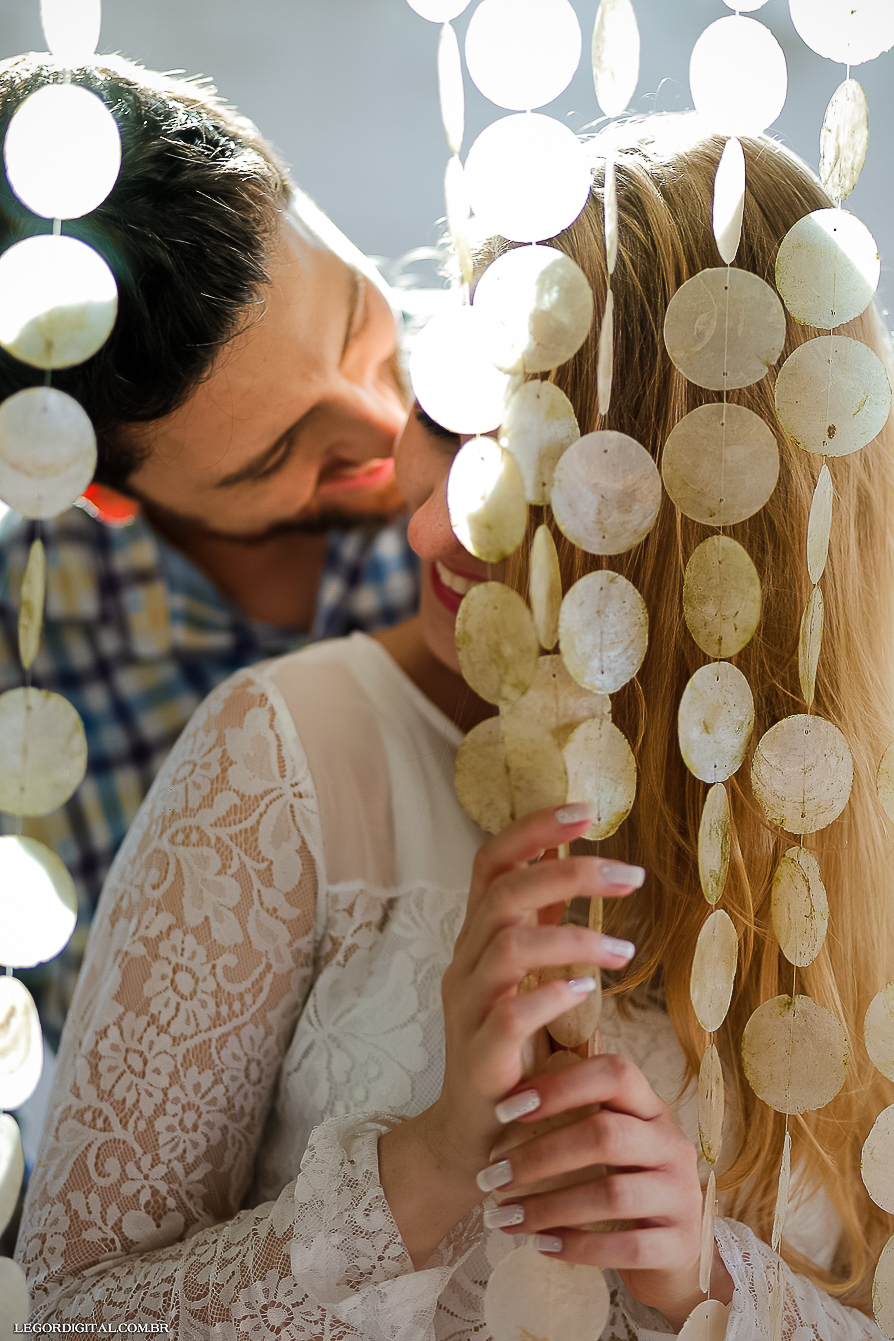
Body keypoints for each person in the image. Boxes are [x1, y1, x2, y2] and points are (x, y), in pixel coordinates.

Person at [16, 113, 894, 1338]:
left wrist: (709, 1284)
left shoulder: (855, 836)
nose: (423, 528)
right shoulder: (285, 754)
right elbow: (52, 1316)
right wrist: (421, 1173)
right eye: (449, 415)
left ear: (695, 551)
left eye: (520, 490)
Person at [0, 54, 419, 1043]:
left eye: (360, 319)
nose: (387, 429)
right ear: (98, 494)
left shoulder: (549, 420)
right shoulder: (31, 734)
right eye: (281, 451)